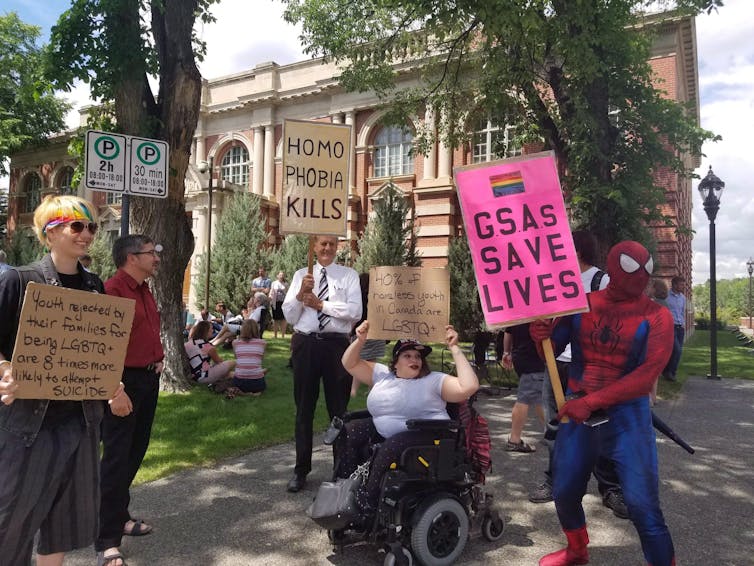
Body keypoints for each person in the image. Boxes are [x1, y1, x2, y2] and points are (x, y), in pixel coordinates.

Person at [530, 241, 676, 566]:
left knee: (643, 506)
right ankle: (577, 551)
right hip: (580, 414)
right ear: (611, 268)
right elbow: (551, 353)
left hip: (628, 418)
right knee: (564, 490)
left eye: (644, 271)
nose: (639, 277)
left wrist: (591, 401)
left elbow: (646, 375)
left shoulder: (658, 317)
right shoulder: (581, 304)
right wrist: (539, 334)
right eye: (631, 269)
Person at [0, 195, 124, 566]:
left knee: (63, 523)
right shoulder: (18, 281)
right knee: (13, 522)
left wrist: (111, 386)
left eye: (91, 227)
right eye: (76, 226)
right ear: (50, 232)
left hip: (82, 423)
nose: (86, 234)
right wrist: (4, 372)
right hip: (29, 425)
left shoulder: (94, 286)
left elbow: (99, 352)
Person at [529, 230, 628, 521]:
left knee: (597, 427)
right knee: (555, 426)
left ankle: (610, 489)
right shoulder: (554, 281)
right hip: (556, 362)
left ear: (578, 249)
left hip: (590, 369)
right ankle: (554, 480)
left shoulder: (602, 281)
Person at [342, 321, 479, 518]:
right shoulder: (383, 375)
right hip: (389, 433)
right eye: (407, 355)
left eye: (417, 356)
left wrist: (455, 348)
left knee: (394, 444)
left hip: (427, 435)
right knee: (348, 431)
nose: (414, 359)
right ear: (395, 362)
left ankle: (368, 502)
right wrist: (360, 340)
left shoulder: (433, 381)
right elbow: (349, 363)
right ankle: (344, 488)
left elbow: (469, 387)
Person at [96, 235, 165, 566]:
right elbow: (105, 347)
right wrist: (115, 389)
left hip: (149, 379)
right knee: (116, 459)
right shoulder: (113, 291)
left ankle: (118, 515)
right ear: (131, 257)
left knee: (134, 453)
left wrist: (160, 358)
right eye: (151, 253)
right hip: (124, 382)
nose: (156, 258)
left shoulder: (144, 289)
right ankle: (108, 540)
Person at [282, 235, 362, 493]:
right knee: (303, 408)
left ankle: (341, 469)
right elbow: (290, 315)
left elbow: (355, 312)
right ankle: (301, 470)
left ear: (336, 246)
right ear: (314, 247)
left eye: (331, 243)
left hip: (336, 345)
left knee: (338, 410)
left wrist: (321, 304)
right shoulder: (300, 275)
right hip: (306, 344)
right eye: (322, 244)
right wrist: (299, 295)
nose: (327, 248)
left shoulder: (348, 275)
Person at [501, 323, 545, 453]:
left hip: (520, 356)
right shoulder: (539, 308)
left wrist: (506, 352)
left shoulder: (517, 309)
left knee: (539, 397)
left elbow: (508, 331)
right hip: (533, 358)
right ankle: (514, 440)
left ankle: (554, 434)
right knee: (526, 398)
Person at [350, 272, 386, 397]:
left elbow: (354, 317)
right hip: (376, 332)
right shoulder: (378, 298)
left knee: (357, 362)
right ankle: (371, 389)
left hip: (361, 332)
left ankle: (354, 390)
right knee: (372, 362)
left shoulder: (357, 298)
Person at [231, 319, 268, 395]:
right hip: (257, 383)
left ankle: (244, 392)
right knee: (261, 370)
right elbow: (261, 359)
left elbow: (237, 357)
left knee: (233, 373)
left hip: (239, 382)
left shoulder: (235, 343)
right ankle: (254, 392)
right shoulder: (263, 343)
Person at [650, 279, 671, 405]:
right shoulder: (666, 304)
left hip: (653, 339)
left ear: (655, 289)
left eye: (652, 287)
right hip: (662, 340)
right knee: (655, 372)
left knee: (649, 371)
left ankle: (650, 398)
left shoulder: (652, 304)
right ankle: (654, 397)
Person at [663, 276, 687, 382]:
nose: (683, 286)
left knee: (677, 351)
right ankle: (670, 373)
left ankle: (668, 372)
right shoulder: (666, 296)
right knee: (677, 350)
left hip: (680, 327)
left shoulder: (683, 298)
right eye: (681, 284)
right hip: (670, 327)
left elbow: (682, 312)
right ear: (675, 285)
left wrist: (683, 324)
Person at [270, 271, 289, 338]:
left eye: (282, 275)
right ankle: (275, 336)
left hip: (283, 303)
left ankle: (283, 335)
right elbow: (271, 292)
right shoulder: (274, 283)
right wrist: (270, 298)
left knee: (283, 319)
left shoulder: (286, 284)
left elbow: (288, 293)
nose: (281, 276)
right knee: (275, 319)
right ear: (277, 276)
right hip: (275, 303)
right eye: (280, 275)